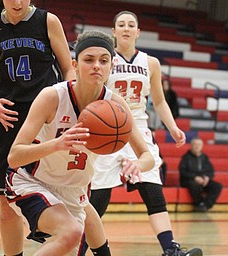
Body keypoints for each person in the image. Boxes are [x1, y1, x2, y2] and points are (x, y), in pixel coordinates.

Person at [5, 30, 155, 256]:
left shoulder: (116, 106)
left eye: (104, 61)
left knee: (78, 231)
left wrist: (137, 166)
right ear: (75, 65)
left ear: (111, 66)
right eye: (89, 60)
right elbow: (14, 156)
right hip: (31, 180)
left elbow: (148, 157)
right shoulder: (52, 97)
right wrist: (56, 144)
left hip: (75, 191)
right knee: (71, 232)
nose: (97, 66)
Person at [86, 11, 203, 256]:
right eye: (121, 24)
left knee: (153, 190)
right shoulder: (106, 60)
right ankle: (80, 248)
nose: (126, 28)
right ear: (114, 32)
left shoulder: (151, 63)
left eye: (131, 25)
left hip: (138, 127)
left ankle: (170, 250)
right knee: (98, 197)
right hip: (108, 128)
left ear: (138, 32)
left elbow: (159, 101)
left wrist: (173, 127)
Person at [0, 0, 75, 255]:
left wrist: (72, 108)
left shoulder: (47, 21)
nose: (18, 2)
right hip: (8, 118)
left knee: (66, 195)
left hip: (45, 119)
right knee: (6, 205)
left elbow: (69, 70)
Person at [179, 137, 222, 212]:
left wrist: (207, 177)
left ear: (202, 146)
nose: (197, 146)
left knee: (217, 186)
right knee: (194, 185)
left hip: (204, 180)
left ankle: (205, 205)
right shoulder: (186, 157)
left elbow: (211, 170)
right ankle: (198, 203)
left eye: (199, 144)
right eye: (195, 144)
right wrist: (195, 177)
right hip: (189, 180)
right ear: (191, 145)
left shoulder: (204, 157)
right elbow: (183, 171)